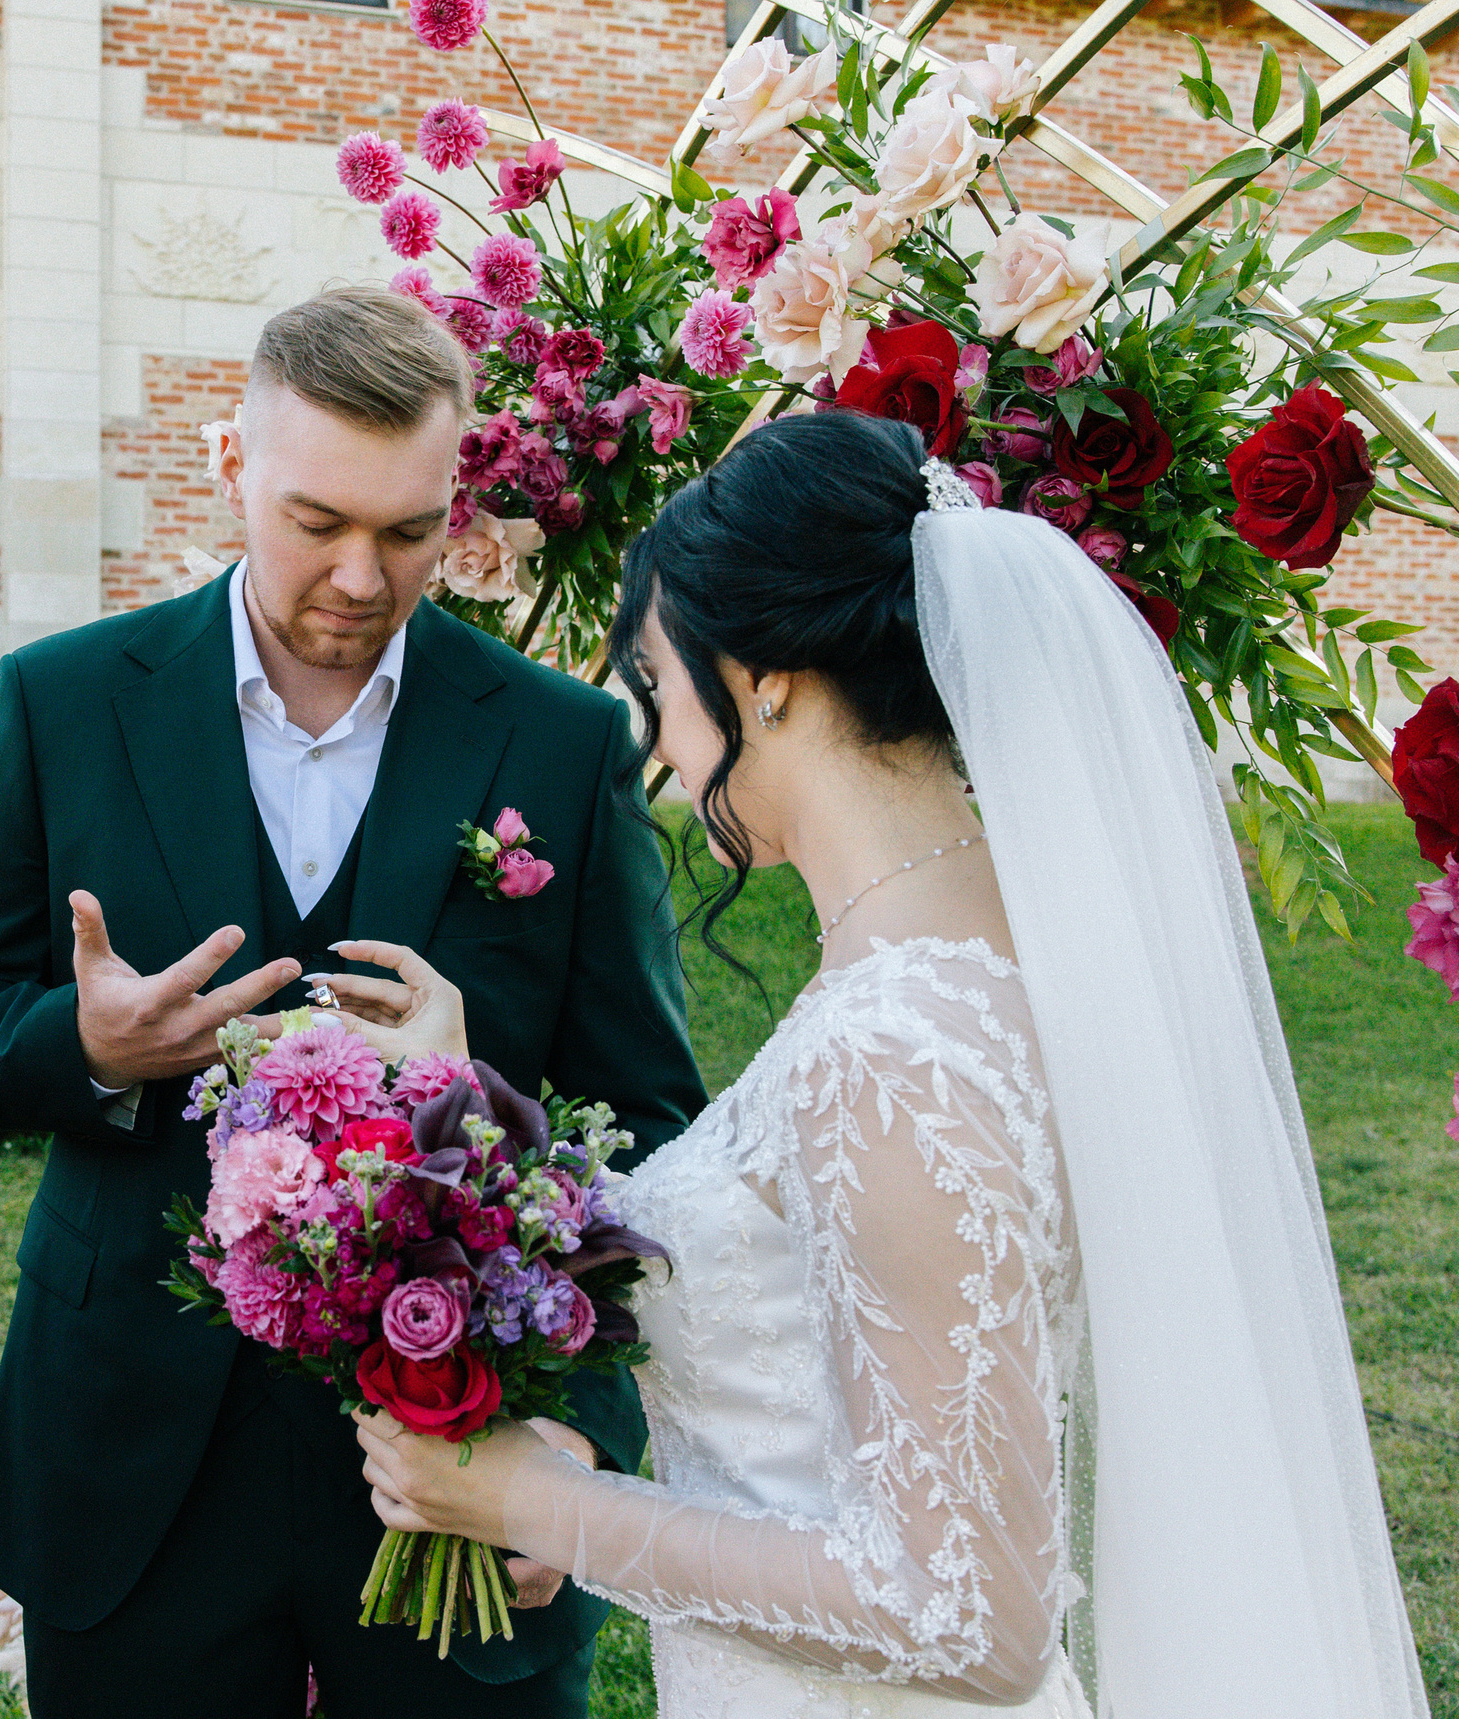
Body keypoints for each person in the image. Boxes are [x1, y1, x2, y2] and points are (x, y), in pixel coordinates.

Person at [343, 414, 1429, 1717]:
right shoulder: (987, 959)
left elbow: (969, 1608)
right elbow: (792, 1277)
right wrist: (470, 1110)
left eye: (658, 679)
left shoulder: (898, 1046)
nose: (662, 744)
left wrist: (545, 1499)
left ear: (767, 677)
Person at [0, 286, 706, 1715]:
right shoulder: (62, 702)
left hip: (459, 1462)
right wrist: (85, 1045)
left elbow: (649, 1126)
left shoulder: (565, 747)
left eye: (408, 530)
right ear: (229, 469)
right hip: (128, 1446)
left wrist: (573, 1441)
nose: (363, 577)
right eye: (315, 521)